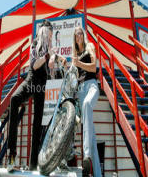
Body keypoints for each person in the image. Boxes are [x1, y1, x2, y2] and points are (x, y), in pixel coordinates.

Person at [7, 19, 66, 171]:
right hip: (31, 80)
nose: (51, 37)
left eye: (52, 35)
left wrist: (59, 58)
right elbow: (34, 64)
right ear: (44, 32)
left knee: (37, 124)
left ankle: (33, 164)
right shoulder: (35, 44)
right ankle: (12, 154)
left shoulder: (51, 47)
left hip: (42, 86)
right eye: (50, 34)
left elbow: (53, 59)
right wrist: (48, 56)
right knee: (14, 99)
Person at [72, 26, 102, 177]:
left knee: (87, 104)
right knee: (92, 136)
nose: (78, 36)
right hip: (81, 90)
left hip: (91, 86)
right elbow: (75, 75)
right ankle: (98, 174)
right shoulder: (75, 54)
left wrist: (79, 64)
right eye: (76, 35)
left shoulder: (90, 46)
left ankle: (86, 156)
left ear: (83, 35)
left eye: (80, 33)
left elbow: (93, 68)